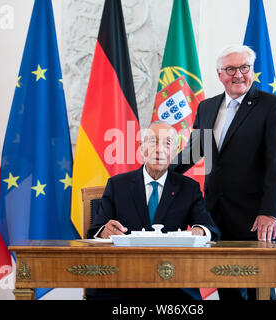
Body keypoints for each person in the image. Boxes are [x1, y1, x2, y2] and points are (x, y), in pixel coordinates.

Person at [172, 44, 276, 300]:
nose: (238, 74)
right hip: (215, 213)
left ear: (251, 69)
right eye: (230, 69)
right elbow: (194, 151)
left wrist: (270, 212)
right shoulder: (207, 107)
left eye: (244, 68)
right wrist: (156, 173)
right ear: (219, 74)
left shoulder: (273, 106)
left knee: (258, 288)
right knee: (226, 286)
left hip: (256, 218)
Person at [86, 120, 221, 301]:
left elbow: (210, 229)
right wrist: (105, 231)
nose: (159, 150)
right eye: (153, 142)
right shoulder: (117, 185)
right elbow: (95, 230)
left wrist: (199, 231)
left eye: (167, 144)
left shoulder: (189, 188)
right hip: (123, 280)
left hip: (172, 280)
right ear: (142, 149)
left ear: (174, 152)